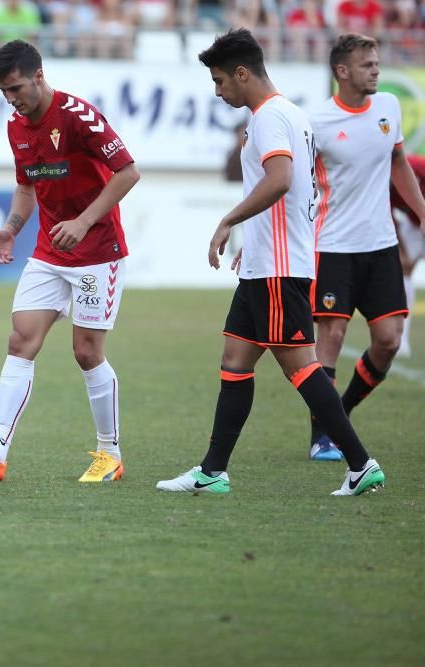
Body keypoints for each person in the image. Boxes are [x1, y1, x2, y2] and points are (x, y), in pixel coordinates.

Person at [156, 28, 385, 496]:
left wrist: (228, 221)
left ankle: (361, 465)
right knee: (235, 360)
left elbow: (280, 180)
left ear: (243, 74)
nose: (218, 91)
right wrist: (253, 238)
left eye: (221, 81)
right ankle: (213, 471)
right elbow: (299, 190)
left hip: (278, 269)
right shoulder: (290, 114)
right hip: (265, 263)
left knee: (301, 368)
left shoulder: (269, 119)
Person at [0, 40, 141, 483]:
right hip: (50, 254)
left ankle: (110, 454)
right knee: (20, 341)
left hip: (97, 254)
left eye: (16, 88)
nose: (12, 99)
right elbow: (26, 186)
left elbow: (129, 172)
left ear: (38, 75)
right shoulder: (16, 127)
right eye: (4, 93)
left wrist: (85, 221)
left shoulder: (78, 118)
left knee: (86, 352)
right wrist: (12, 228)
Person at [305, 34, 425, 459]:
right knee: (332, 335)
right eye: (367, 64)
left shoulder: (388, 108)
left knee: (389, 341)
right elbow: (293, 186)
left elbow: (397, 162)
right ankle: (322, 436)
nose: (376, 70)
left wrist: (422, 210)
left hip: (381, 246)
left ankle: (341, 411)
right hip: (334, 245)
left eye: (377, 63)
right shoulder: (316, 122)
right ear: (342, 71)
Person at [391, 154, 425, 357]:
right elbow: (390, 216)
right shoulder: (379, 180)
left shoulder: (416, 165)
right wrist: (402, 251)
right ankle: (401, 340)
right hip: (413, 225)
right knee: (402, 270)